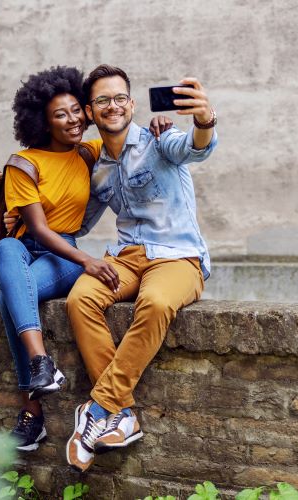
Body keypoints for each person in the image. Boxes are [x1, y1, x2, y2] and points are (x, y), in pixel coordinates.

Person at [0, 66, 173, 452]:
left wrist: (159, 125)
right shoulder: (22, 163)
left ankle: (32, 412)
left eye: (77, 110)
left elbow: (122, 134)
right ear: (43, 120)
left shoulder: (91, 154)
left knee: (11, 296)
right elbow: (38, 230)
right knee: (5, 251)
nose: (73, 120)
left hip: (65, 255)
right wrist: (90, 262)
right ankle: (42, 363)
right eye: (61, 114)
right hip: (32, 247)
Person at [64, 64, 218, 472]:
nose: (112, 106)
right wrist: (22, 216)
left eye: (119, 98)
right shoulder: (95, 167)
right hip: (127, 257)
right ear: (90, 111)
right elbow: (75, 223)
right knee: (81, 299)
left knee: (155, 302)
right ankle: (124, 415)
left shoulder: (158, 138)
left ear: (131, 103)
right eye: (102, 101)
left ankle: (99, 410)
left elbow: (196, 147)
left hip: (178, 256)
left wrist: (204, 118)